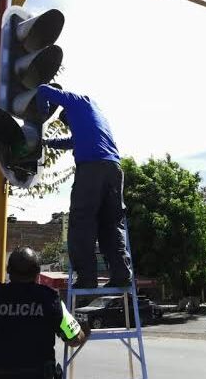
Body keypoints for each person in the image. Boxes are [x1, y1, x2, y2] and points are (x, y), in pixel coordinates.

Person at [36, 84, 132, 289]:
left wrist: (41, 112)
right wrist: (46, 142)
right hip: (113, 170)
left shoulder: (77, 101)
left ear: (68, 113)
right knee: (110, 225)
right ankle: (121, 273)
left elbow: (42, 88)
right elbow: (70, 142)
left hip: (91, 169)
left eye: (67, 122)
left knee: (82, 221)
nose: (69, 126)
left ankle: (87, 277)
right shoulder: (94, 118)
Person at [0, 247, 88, 379]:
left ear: (8, 270)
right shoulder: (49, 298)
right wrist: (85, 330)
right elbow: (74, 339)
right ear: (37, 272)